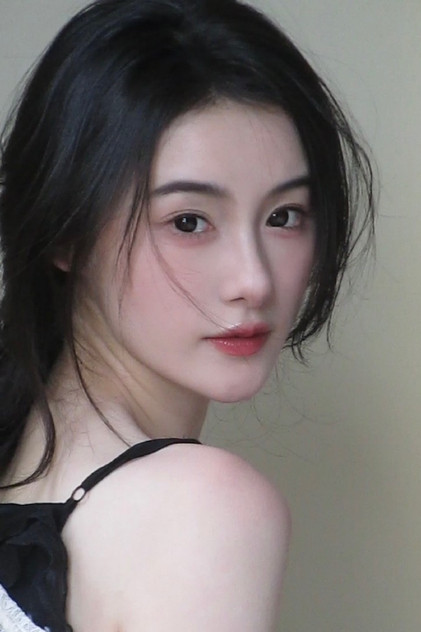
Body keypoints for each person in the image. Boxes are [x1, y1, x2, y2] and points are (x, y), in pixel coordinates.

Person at [0, 0, 374, 630]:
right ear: (66, 231)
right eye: (189, 222)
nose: (253, 280)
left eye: (284, 216)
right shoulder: (199, 509)